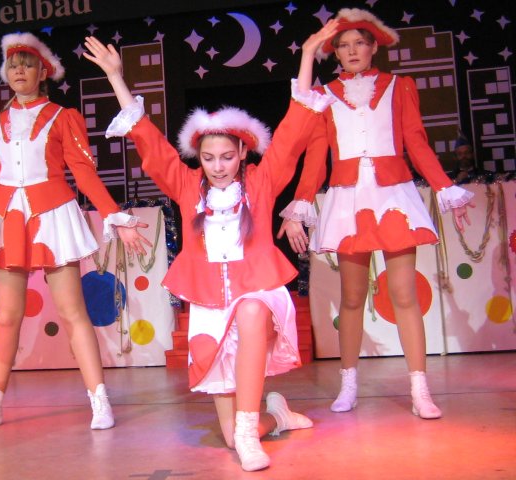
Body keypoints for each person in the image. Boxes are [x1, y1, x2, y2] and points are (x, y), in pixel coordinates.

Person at [83, 21, 338, 472]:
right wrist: (116, 78)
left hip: (255, 286)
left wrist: (306, 56)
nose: (218, 166)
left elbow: (294, 129)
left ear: (243, 154)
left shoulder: (261, 182)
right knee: (228, 433)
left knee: (252, 312)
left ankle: (249, 431)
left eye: (227, 157)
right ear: (197, 157)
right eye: (208, 158)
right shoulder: (187, 187)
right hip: (207, 298)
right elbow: (147, 139)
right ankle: (272, 417)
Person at [278, 8, 475, 420]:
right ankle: (348, 384)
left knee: (404, 294)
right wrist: (300, 205)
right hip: (348, 200)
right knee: (352, 297)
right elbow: (315, 157)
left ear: (373, 47)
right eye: (343, 46)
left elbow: (416, 142)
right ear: (335, 53)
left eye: (359, 44)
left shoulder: (400, 86)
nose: (351, 51)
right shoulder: (324, 95)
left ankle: (420, 389)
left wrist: (445, 187)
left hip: (393, 196)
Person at [0, 32, 151, 432]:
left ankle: (99, 401)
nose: (19, 71)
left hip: (53, 215)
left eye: (27, 64)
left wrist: (114, 215)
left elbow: (83, 172)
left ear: (43, 72)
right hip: (7, 218)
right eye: (13, 65)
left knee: (73, 312)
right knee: (7, 317)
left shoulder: (63, 117)